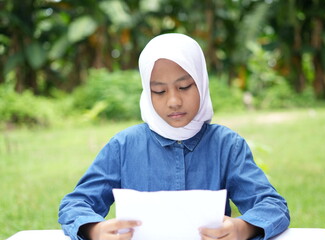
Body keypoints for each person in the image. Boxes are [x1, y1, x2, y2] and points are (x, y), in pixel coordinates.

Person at [58, 33, 290, 240]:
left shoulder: (227, 145)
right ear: (147, 93)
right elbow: (75, 204)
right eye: (159, 91)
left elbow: (273, 206)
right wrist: (95, 230)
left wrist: (243, 228)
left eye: (185, 86)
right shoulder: (123, 146)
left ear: (201, 82)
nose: (173, 101)